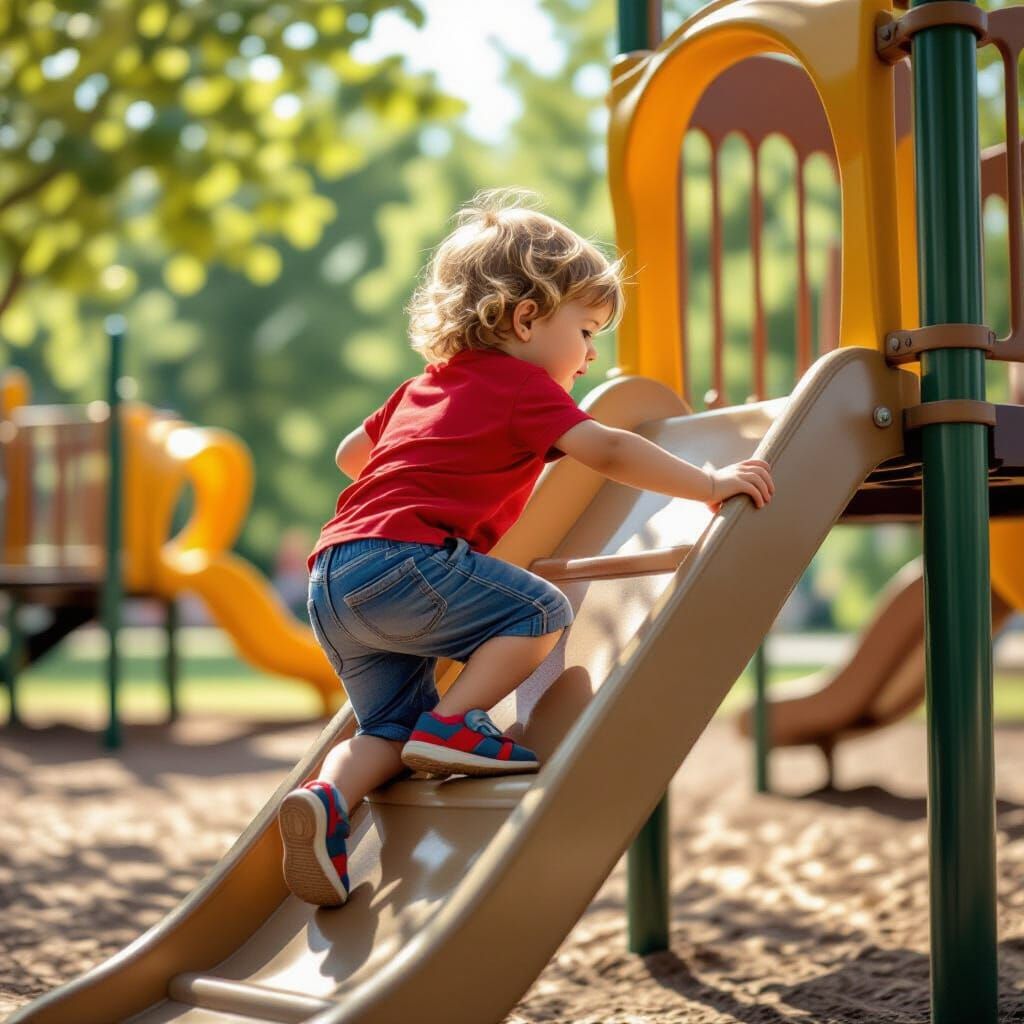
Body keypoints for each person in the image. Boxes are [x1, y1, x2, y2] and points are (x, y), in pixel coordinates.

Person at [277, 187, 774, 907]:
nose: (592, 353)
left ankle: (326, 798)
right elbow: (607, 450)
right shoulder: (523, 387)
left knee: (386, 727)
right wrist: (709, 483)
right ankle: (456, 724)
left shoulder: (420, 388)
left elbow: (352, 454)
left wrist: (441, 468)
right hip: (402, 562)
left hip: (332, 578)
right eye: (587, 330)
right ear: (526, 318)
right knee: (541, 610)